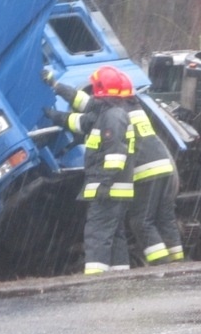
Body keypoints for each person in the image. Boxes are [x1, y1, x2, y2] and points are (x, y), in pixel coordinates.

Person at [43, 67, 184, 265]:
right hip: (164, 168)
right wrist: (56, 87)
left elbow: (83, 120)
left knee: (141, 222)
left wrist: (55, 115)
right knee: (163, 218)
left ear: (101, 92)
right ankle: (178, 265)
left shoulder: (112, 114)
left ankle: (163, 268)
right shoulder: (129, 105)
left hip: (144, 172)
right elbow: (85, 105)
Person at [44, 66, 136, 274]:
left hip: (107, 190)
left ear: (100, 89)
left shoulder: (111, 116)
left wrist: (104, 184)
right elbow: (78, 118)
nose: (92, 92)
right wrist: (55, 100)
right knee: (114, 236)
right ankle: (120, 280)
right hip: (115, 190)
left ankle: (96, 283)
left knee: (97, 234)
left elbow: (115, 154)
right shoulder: (106, 112)